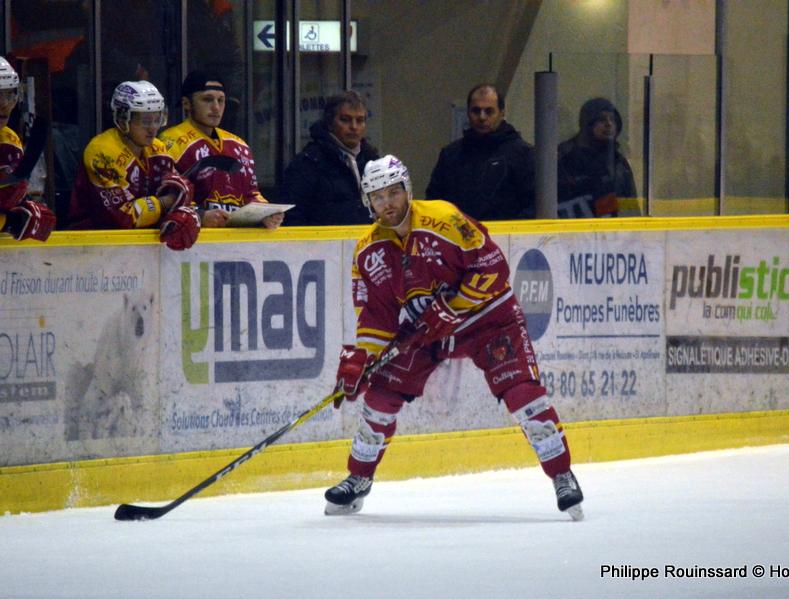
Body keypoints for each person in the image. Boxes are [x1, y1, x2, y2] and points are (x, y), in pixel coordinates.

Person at [324, 154, 584, 520]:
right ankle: (358, 477)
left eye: (393, 192)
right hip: (426, 331)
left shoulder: (443, 218)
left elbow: (493, 266)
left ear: (407, 190)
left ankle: (561, 475)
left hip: (487, 319)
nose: (387, 203)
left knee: (524, 396)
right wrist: (361, 361)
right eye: (378, 197)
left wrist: (454, 305)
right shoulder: (368, 251)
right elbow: (376, 316)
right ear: (368, 202)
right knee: (379, 398)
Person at [68, 81, 200, 251]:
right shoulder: (102, 152)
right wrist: (166, 203)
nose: (153, 129)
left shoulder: (157, 148)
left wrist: (190, 213)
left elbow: (178, 192)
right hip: (90, 246)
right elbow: (121, 217)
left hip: (138, 247)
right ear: (122, 119)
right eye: (145, 121)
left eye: (157, 119)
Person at [159, 71, 281, 230]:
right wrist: (200, 216)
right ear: (186, 103)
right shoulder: (170, 142)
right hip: (194, 239)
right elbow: (168, 197)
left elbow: (251, 194)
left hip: (234, 239)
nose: (216, 107)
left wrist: (266, 213)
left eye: (221, 100)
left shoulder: (239, 146)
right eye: (207, 99)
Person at [426, 83, 535, 221]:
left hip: (505, 233)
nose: (482, 117)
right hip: (458, 232)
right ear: (468, 113)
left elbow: (534, 205)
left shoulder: (522, 155)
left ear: (502, 113)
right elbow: (434, 202)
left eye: (489, 111)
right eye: (476, 111)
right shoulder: (450, 155)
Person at [281, 90, 379, 226]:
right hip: (321, 238)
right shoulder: (308, 163)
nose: (354, 127)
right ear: (330, 123)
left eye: (360, 120)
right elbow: (291, 217)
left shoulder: (373, 161)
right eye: (345, 120)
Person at [0, 56, 55, 242]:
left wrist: (22, 212)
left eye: (9, 95)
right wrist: (9, 221)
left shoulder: (9, 141)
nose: (4, 104)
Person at [557, 97, 637, 218]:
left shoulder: (618, 162)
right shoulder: (564, 158)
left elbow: (629, 208)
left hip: (609, 227)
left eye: (613, 120)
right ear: (587, 123)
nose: (609, 124)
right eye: (601, 119)